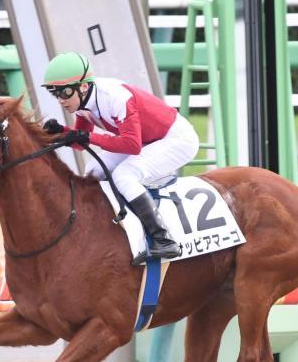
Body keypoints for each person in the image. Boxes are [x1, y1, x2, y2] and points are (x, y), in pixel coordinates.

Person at [41, 52, 200, 262]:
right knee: (93, 171)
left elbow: (132, 145)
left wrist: (87, 136)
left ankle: (164, 240)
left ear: (84, 86)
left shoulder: (115, 97)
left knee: (125, 175)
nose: (61, 100)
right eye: (55, 93)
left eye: (65, 92)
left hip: (176, 139)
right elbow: (81, 143)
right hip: (146, 140)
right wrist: (61, 132)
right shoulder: (81, 102)